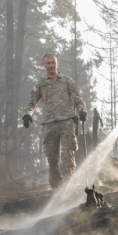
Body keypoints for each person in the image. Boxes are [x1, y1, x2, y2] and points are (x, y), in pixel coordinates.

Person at [22, 53, 87, 189]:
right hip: (49, 125)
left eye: (53, 62)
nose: (51, 65)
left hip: (67, 123)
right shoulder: (40, 85)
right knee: (52, 159)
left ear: (57, 63)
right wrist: (27, 114)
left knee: (67, 156)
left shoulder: (67, 81)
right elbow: (31, 102)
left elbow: (78, 100)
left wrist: (82, 111)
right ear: (44, 65)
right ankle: (56, 191)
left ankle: (68, 188)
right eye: (48, 63)